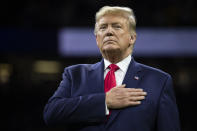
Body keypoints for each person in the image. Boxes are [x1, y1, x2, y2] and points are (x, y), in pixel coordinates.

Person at [43, 6, 180, 131]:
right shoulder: (75, 75)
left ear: (132, 38)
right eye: (103, 28)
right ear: (97, 39)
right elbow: (51, 113)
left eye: (117, 27)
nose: (109, 32)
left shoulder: (159, 81)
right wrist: (104, 101)